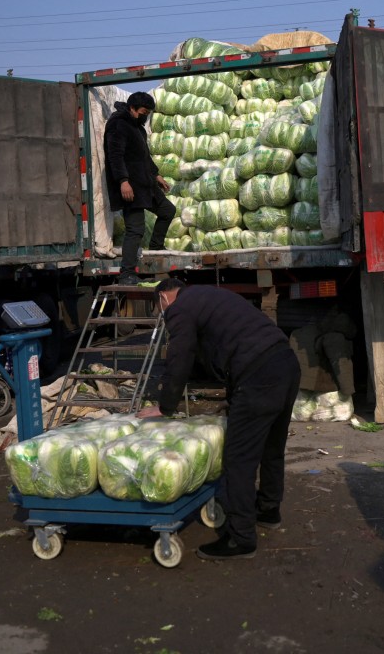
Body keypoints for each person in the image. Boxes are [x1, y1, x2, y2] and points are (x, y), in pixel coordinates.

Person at [136, 278, 302, 560]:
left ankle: (241, 538)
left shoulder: (180, 307)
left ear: (163, 297)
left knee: (238, 458)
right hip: (285, 363)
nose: (163, 316)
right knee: (271, 448)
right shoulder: (209, 295)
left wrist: (165, 407)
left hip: (258, 375)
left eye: (159, 308)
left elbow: (180, 356)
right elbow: (230, 344)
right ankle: (268, 510)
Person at [104, 92, 176, 285]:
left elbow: (145, 157)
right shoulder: (118, 125)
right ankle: (126, 273)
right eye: (144, 112)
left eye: (148, 113)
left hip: (146, 184)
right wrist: (123, 181)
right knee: (135, 229)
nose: (146, 116)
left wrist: (156, 175)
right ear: (132, 108)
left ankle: (156, 247)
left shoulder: (138, 128)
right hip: (131, 187)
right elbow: (115, 156)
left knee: (168, 210)